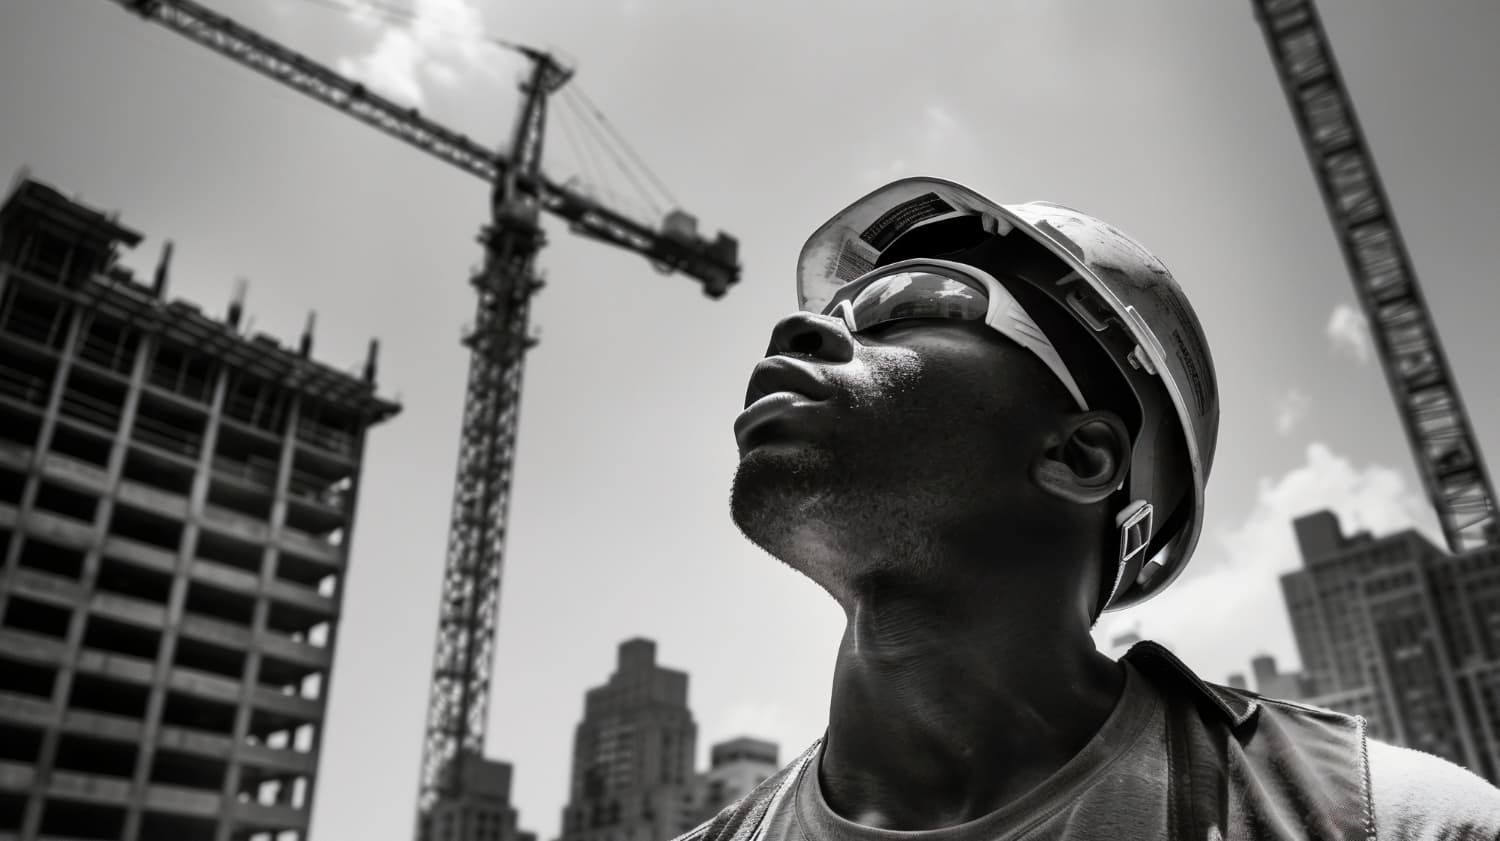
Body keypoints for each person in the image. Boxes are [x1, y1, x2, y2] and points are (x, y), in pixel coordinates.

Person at [691, 177, 1500, 841]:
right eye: (835, 312)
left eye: (904, 302)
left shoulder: (1383, 823)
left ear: (1080, 456)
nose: (802, 331)